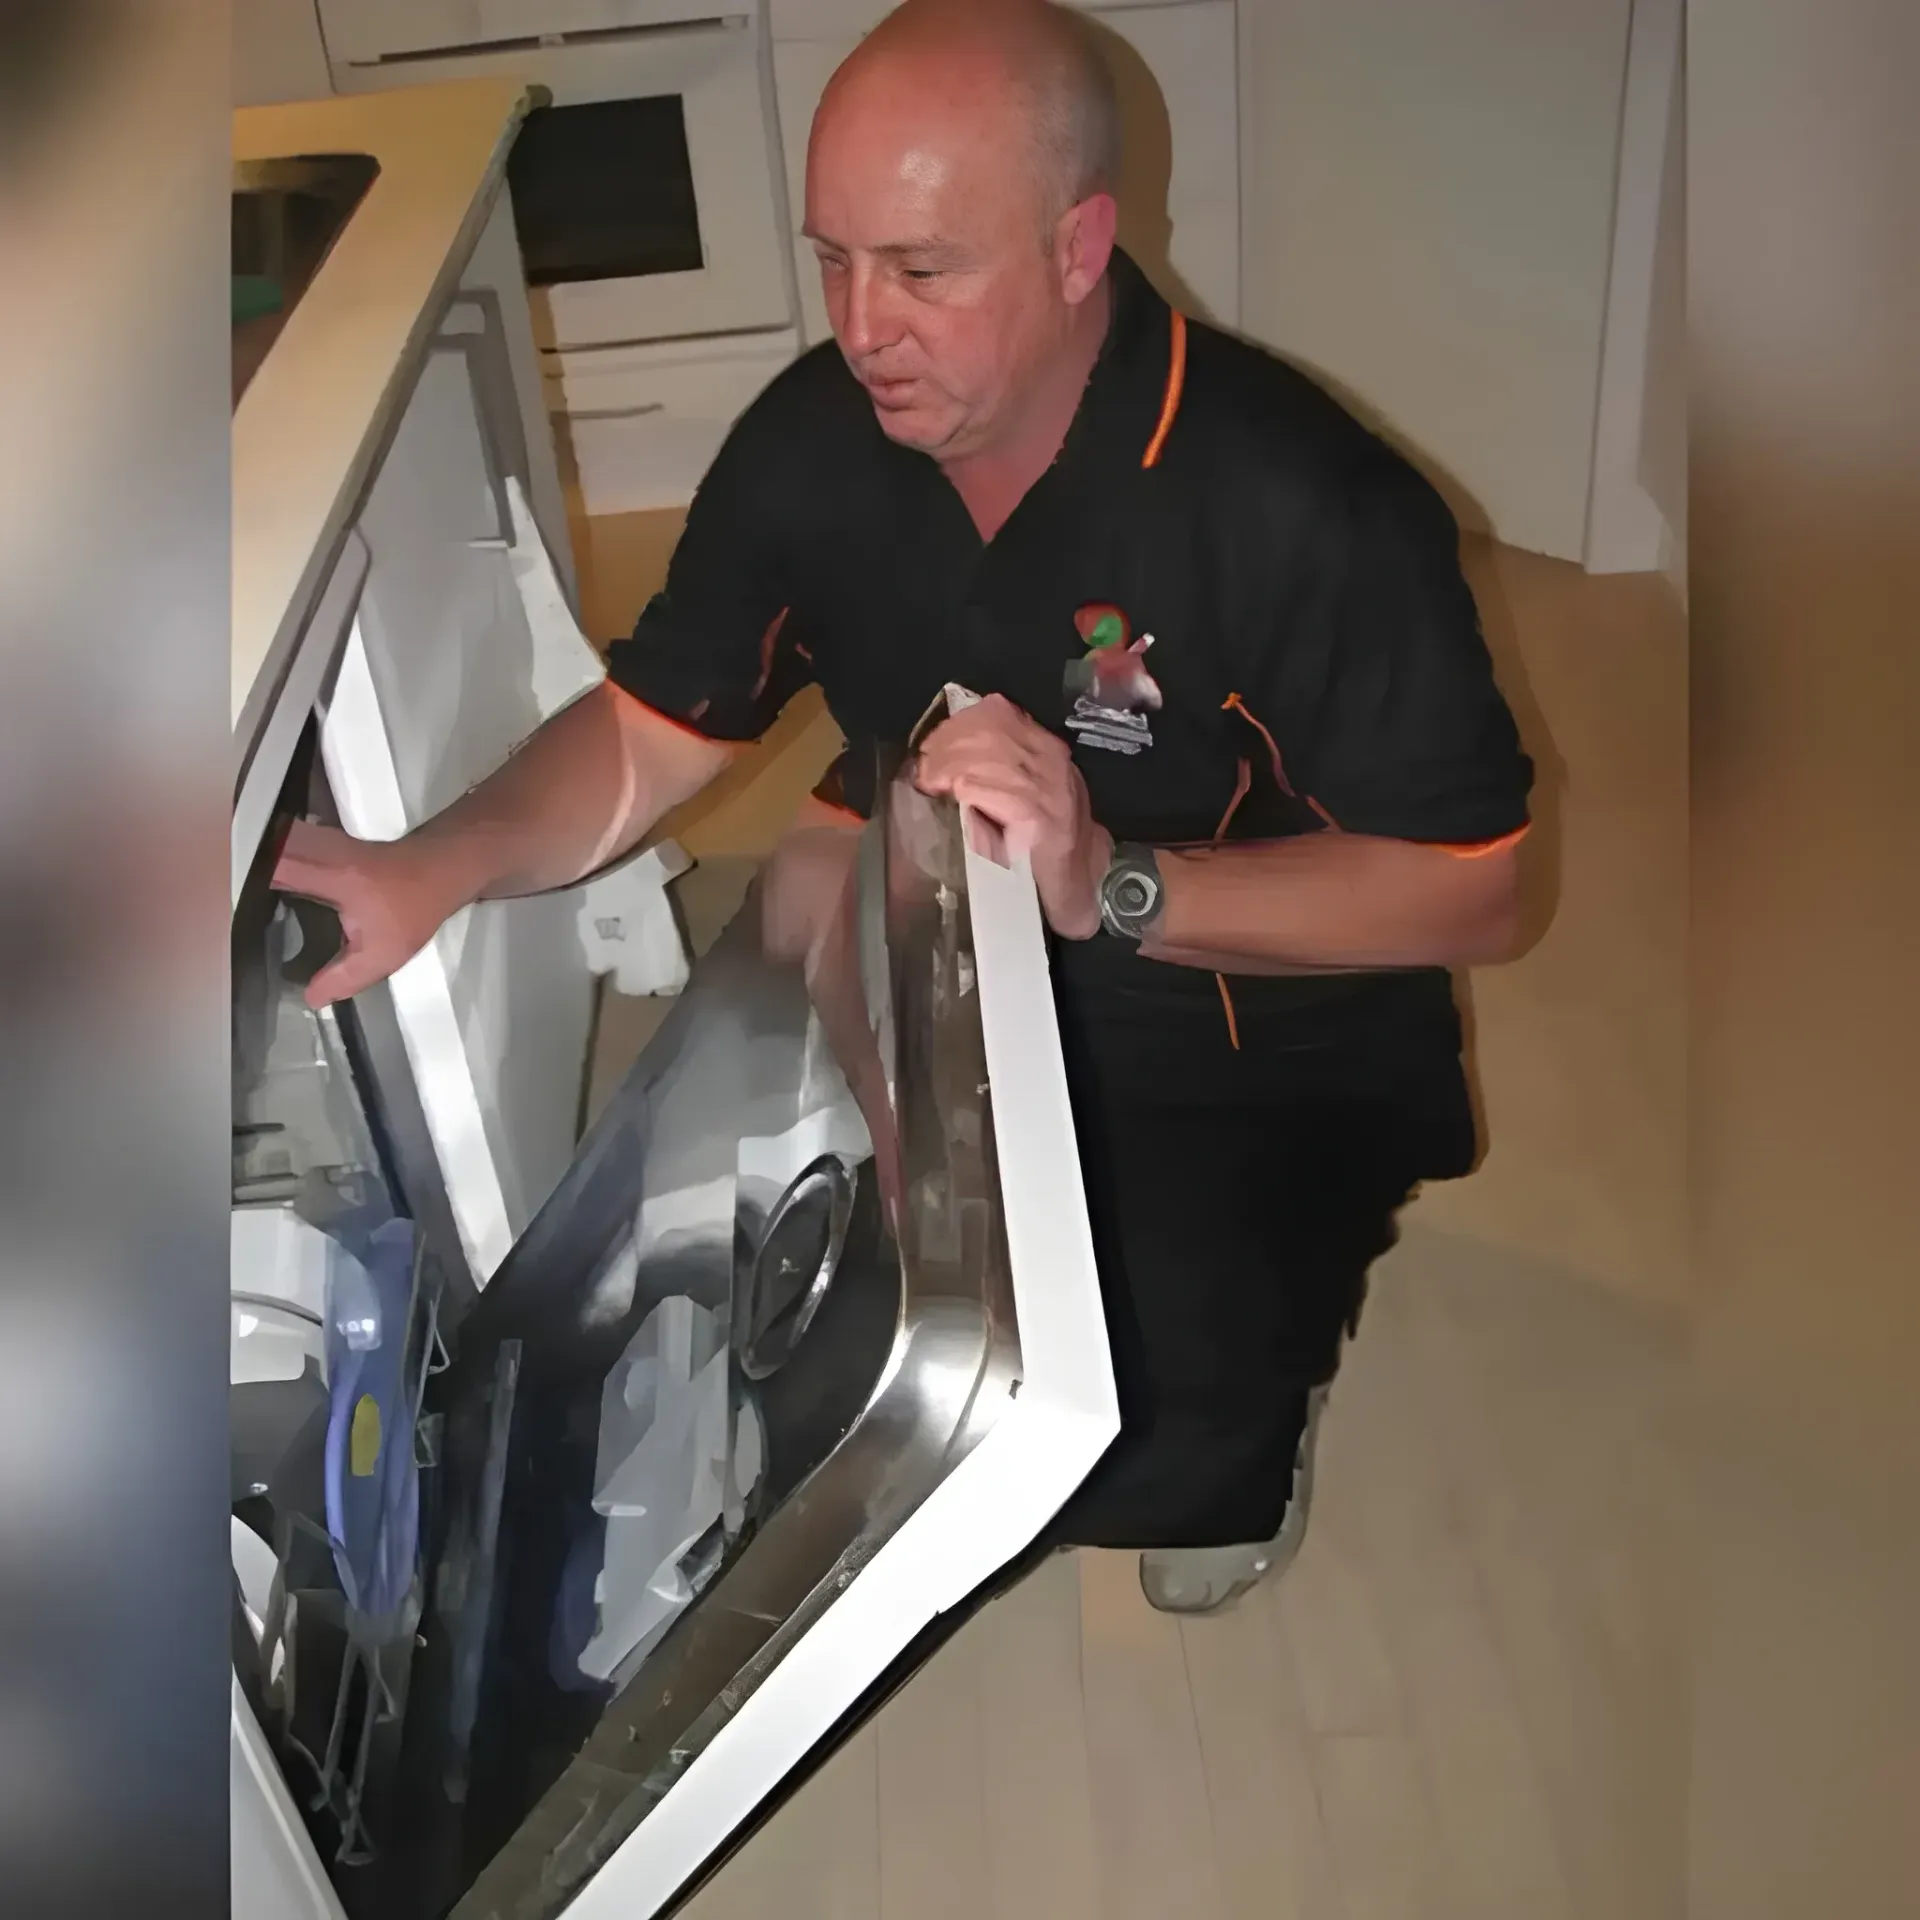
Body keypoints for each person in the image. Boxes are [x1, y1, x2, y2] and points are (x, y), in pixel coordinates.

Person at [275, 0, 1534, 1613]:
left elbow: (1478, 887)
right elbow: (655, 728)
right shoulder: (818, 444)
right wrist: (434, 866)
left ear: (1080, 250)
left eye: (924, 271)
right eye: (836, 262)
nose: (865, 328)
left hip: (1241, 992)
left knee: (1133, 1445)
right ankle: (917, 1160)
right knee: (823, 1147)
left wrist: (1118, 884)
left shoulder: (1306, 509)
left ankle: (1246, 1408)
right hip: (957, 898)